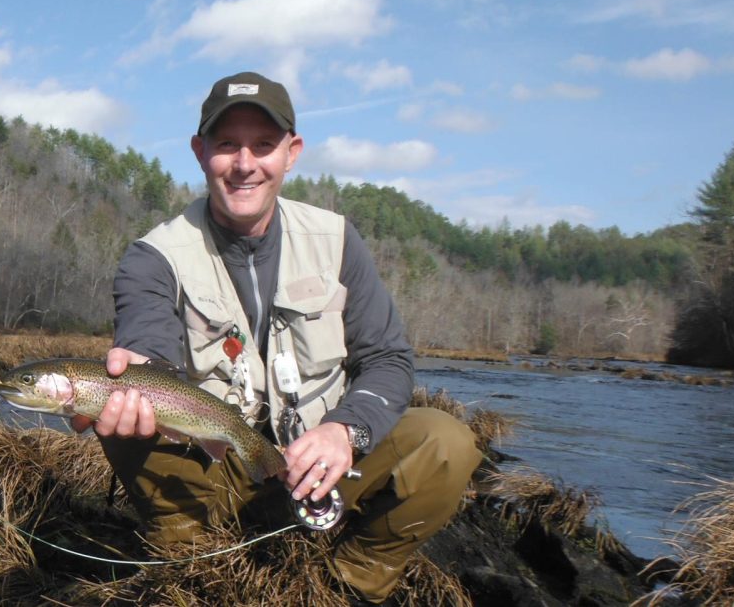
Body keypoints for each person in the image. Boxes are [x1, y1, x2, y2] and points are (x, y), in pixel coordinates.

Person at [71, 71, 481, 604]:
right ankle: (190, 559)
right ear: (200, 152)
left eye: (263, 145)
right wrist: (137, 373)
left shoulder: (336, 241)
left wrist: (345, 431)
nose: (245, 164)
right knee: (125, 413)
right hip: (211, 468)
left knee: (446, 442)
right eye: (226, 145)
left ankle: (353, 582)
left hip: (321, 466)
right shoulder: (154, 257)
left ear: (292, 152)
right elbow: (148, 337)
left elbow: (388, 360)